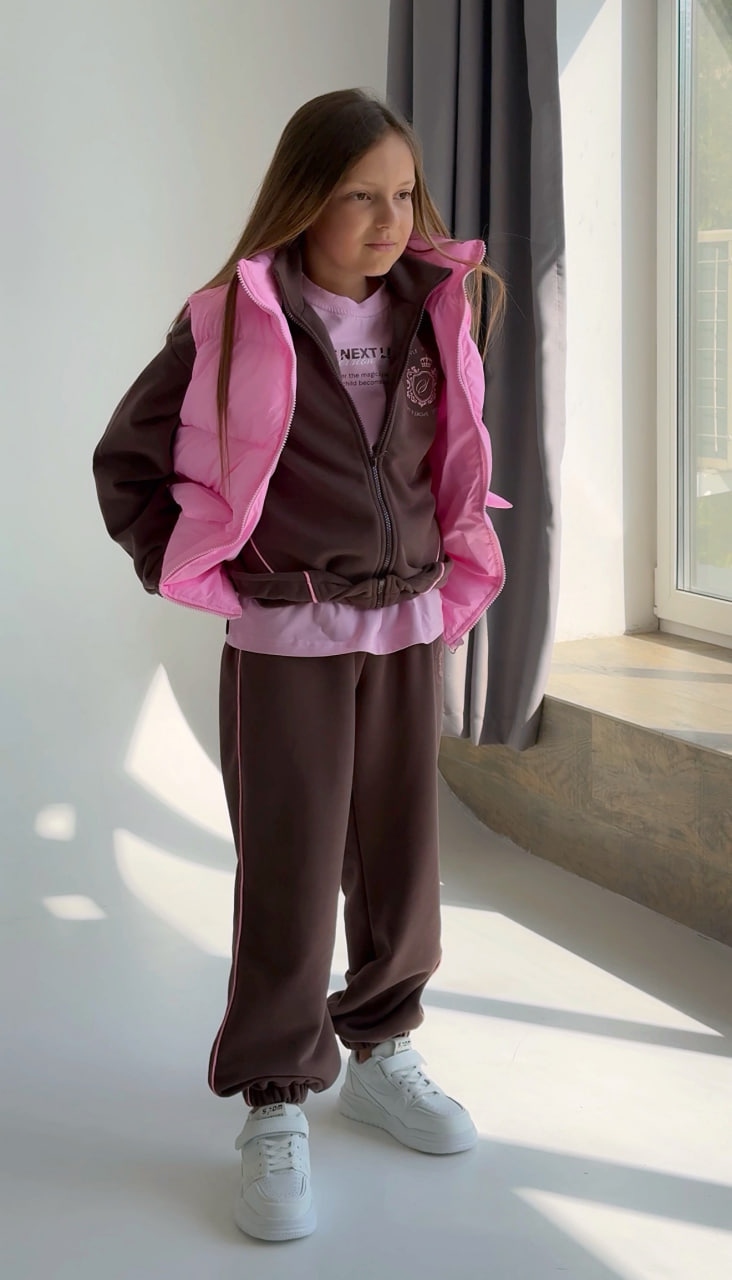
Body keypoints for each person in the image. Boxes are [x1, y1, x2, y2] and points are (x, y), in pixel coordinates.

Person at [93, 87, 509, 1244]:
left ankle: (381, 1046)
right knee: (291, 861)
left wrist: (451, 562)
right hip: (287, 639)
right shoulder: (233, 318)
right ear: (303, 201)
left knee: (400, 856)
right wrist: (208, 573)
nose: (390, 221)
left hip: (407, 624)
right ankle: (276, 1096)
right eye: (359, 197)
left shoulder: (433, 308)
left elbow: (449, 457)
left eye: (403, 195)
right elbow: (128, 460)